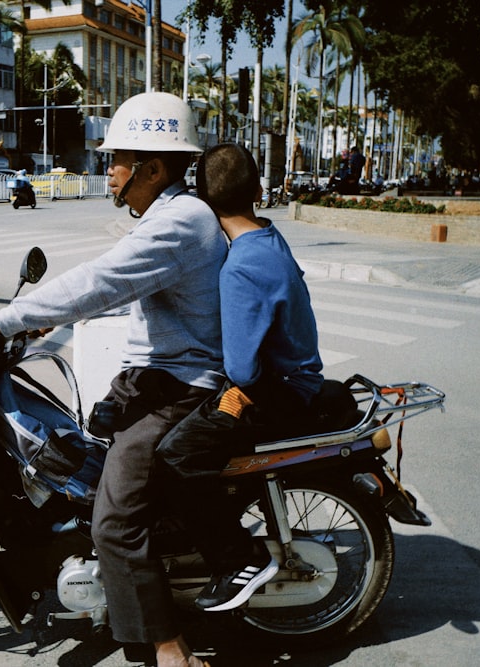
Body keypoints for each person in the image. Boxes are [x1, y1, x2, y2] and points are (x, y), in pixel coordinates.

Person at [0, 92, 227, 667]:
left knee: (115, 519)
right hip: (157, 379)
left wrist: (2, 321)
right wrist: (41, 318)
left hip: (181, 390)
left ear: (152, 169)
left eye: (116, 161)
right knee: (80, 463)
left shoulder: (178, 223)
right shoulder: (169, 215)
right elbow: (118, 289)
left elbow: (101, 279)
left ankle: (168, 646)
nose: (108, 172)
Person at [156, 142, 324, 613]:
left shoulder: (239, 268)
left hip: (277, 390)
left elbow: (243, 371)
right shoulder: (269, 237)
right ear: (257, 189)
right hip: (297, 377)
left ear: (204, 204)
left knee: (175, 454)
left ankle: (236, 559)